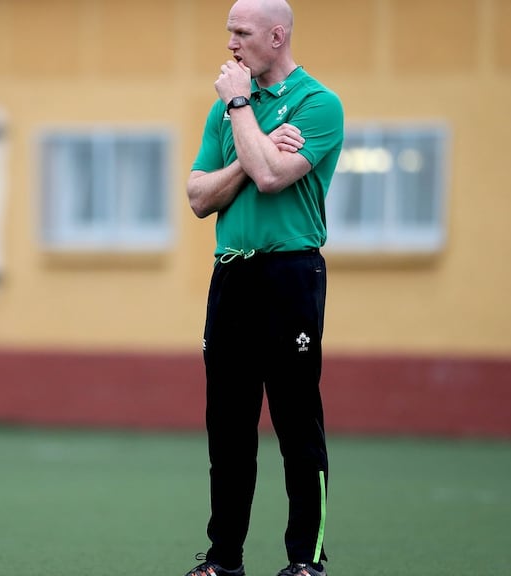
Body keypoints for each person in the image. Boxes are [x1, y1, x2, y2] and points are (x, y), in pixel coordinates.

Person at [183, 1, 344, 576]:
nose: (230, 43)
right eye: (228, 31)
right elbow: (199, 198)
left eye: (242, 32)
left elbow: (275, 178)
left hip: (290, 275)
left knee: (298, 425)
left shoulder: (319, 104)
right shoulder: (226, 110)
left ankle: (308, 559)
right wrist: (254, 146)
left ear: (277, 36)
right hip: (233, 274)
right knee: (227, 429)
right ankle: (223, 561)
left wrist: (240, 108)